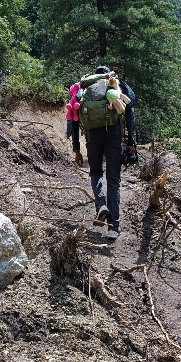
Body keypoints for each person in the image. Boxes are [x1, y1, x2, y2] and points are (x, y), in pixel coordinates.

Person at [72, 66, 136, 239]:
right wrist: (131, 142)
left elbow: (74, 118)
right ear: (108, 73)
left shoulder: (83, 87)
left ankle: (101, 205)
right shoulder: (116, 83)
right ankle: (113, 227)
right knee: (113, 179)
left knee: (95, 172)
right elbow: (129, 109)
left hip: (93, 135)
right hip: (113, 134)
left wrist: (77, 149)